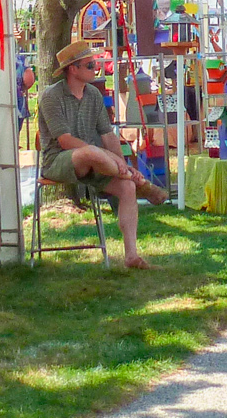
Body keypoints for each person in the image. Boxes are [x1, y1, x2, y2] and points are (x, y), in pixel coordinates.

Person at [38, 39, 165, 270]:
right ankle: (141, 184)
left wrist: (122, 162)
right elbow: (65, 141)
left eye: (94, 63)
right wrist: (117, 163)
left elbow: (107, 135)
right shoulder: (51, 96)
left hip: (96, 162)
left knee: (125, 187)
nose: (95, 67)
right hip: (58, 161)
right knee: (91, 152)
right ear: (72, 69)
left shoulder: (94, 96)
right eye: (89, 65)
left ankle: (132, 256)